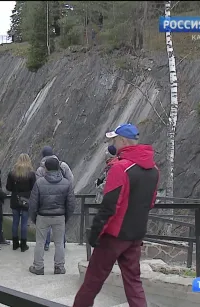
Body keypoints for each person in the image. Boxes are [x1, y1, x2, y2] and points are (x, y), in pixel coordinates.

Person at [73, 123, 159, 307]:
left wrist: (95, 233)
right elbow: (150, 203)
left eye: (114, 139)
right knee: (134, 282)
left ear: (122, 140)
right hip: (135, 235)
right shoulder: (154, 170)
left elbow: (110, 206)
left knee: (92, 281)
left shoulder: (120, 168)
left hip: (113, 236)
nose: (113, 143)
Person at [28, 157, 76, 275]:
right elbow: (71, 203)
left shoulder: (39, 183)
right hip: (60, 216)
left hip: (43, 216)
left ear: (46, 168)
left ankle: (38, 267)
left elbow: (33, 203)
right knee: (59, 243)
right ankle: (59, 267)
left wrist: (34, 218)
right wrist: (66, 217)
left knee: (40, 242)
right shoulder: (66, 183)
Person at [35, 146, 74, 251]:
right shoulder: (63, 165)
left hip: (45, 201)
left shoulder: (40, 169)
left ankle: (46, 244)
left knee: (45, 223)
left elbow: (38, 185)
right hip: (61, 199)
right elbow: (71, 179)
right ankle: (62, 243)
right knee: (60, 223)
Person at [6, 153, 36, 252]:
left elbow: (8, 187)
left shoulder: (12, 172)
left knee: (15, 222)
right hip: (26, 200)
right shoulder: (31, 174)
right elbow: (34, 187)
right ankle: (23, 245)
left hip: (15, 199)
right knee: (24, 223)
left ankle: (15, 244)